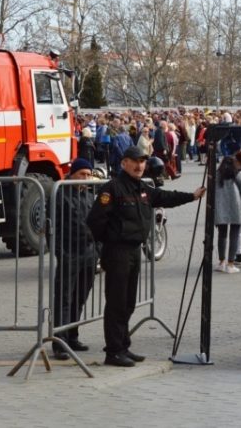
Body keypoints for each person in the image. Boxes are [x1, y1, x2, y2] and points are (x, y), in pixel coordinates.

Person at [87, 146, 205, 367]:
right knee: (116, 303)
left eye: (142, 161)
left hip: (133, 251)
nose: (139, 165)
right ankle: (113, 352)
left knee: (129, 302)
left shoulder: (142, 188)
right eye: (135, 161)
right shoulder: (112, 188)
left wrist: (192, 196)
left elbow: (164, 197)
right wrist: (110, 242)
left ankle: (123, 345)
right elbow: (95, 221)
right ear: (124, 163)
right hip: (118, 251)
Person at [51, 158, 98, 360]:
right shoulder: (60, 195)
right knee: (64, 299)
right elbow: (53, 228)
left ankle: (72, 336)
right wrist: (60, 252)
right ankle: (59, 342)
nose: (86, 178)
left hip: (88, 255)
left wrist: (98, 252)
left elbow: (98, 225)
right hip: (69, 254)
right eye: (82, 174)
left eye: (88, 175)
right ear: (72, 175)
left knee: (80, 297)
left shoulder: (89, 196)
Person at [214, 155, 241, 273]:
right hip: (236, 207)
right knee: (234, 235)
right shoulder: (238, 175)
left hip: (220, 208)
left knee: (222, 235)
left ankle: (222, 262)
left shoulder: (217, 175)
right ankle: (230, 264)